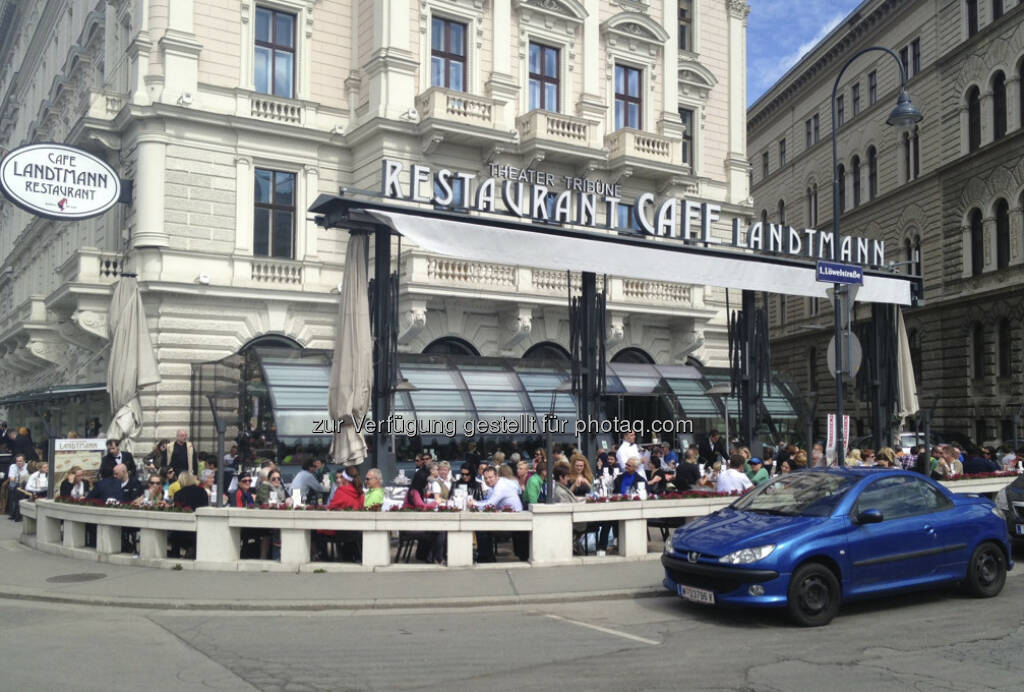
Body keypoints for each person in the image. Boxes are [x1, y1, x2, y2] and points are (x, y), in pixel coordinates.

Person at [470, 465, 526, 562]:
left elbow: (490, 505)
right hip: (511, 518)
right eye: (486, 478)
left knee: (481, 528)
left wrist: (474, 503)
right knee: (482, 527)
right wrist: (476, 503)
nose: (488, 480)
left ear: (497, 476)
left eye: (490, 477)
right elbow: (489, 501)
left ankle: (486, 559)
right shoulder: (499, 483)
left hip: (513, 522)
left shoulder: (500, 487)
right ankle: (486, 557)